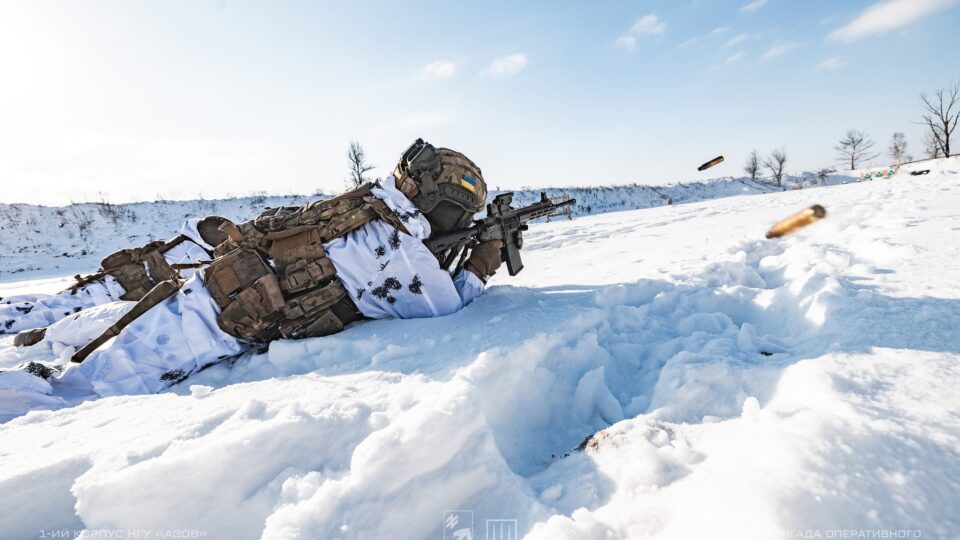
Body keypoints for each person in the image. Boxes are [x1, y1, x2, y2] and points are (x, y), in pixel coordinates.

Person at [0, 139, 504, 420]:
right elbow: (445, 308)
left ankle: (49, 339)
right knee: (83, 390)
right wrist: (483, 260)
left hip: (207, 295)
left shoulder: (368, 211)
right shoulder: (396, 247)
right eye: (457, 214)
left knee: (116, 336)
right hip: (213, 322)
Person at [0, 216, 230, 339]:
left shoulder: (202, 244)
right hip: (114, 289)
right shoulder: (203, 241)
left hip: (117, 289)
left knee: (50, 306)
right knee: (48, 311)